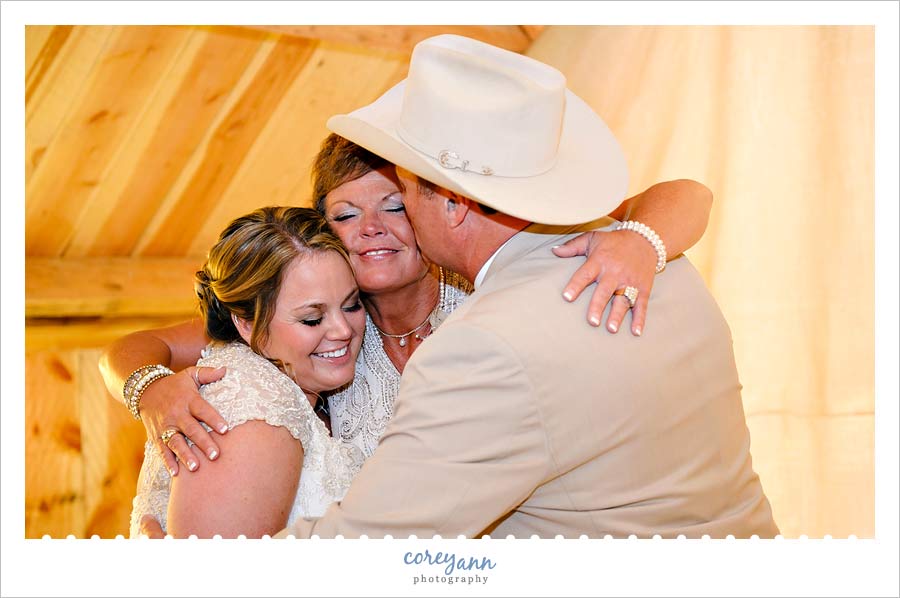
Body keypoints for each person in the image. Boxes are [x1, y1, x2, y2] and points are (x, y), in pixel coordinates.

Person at [268, 33, 778, 539]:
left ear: (453, 202)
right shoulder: (660, 262)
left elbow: (369, 545)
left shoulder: (482, 344)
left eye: (403, 190)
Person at [127, 207, 365, 538]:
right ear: (247, 324)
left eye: (352, 305)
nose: (343, 330)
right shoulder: (255, 411)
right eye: (312, 319)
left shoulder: (277, 380)